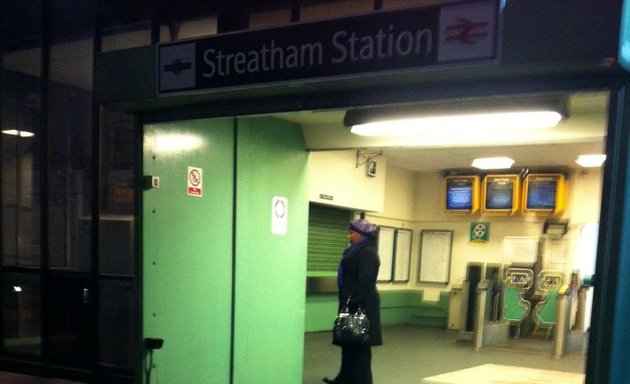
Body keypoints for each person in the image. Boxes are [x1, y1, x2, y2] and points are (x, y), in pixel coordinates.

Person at [324, 218, 382, 384]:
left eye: (351, 233)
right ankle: (344, 378)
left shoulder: (368, 253)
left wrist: (352, 303)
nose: (348, 236)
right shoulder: (355, 251)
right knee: (348, 343)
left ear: (361, 235)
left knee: (361, 346)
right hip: (350, 304)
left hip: (361, 306)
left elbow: (365, 281)